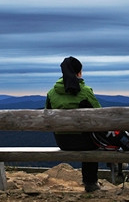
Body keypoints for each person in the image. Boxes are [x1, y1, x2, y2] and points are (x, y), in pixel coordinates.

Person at [45, 56, 102, 192]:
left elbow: (47, 117)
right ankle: (90, 183)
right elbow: (101, 116)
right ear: (79, 72)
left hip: (62, 141)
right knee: (92, 143)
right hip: (86, 142)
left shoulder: (52, 93)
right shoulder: (85, 91)